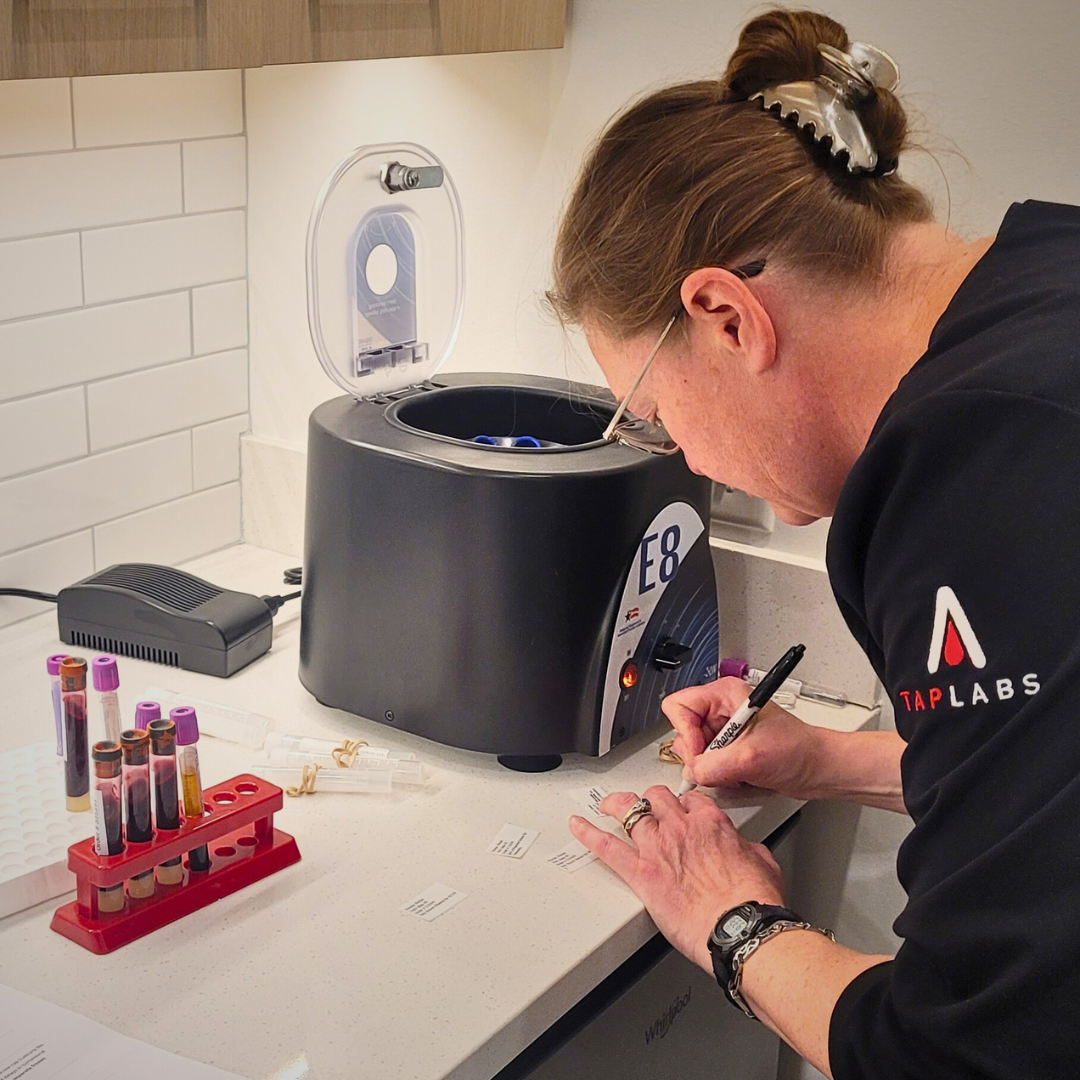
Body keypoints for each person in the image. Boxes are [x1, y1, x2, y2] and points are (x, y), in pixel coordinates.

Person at [549, 9, 1080, 1079]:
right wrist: (834, 763)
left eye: (654, 415)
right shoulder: (1048, 280)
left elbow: (967, 1053)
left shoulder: (978, 468)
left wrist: (732, 921)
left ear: (727, 316)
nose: (686, 456)